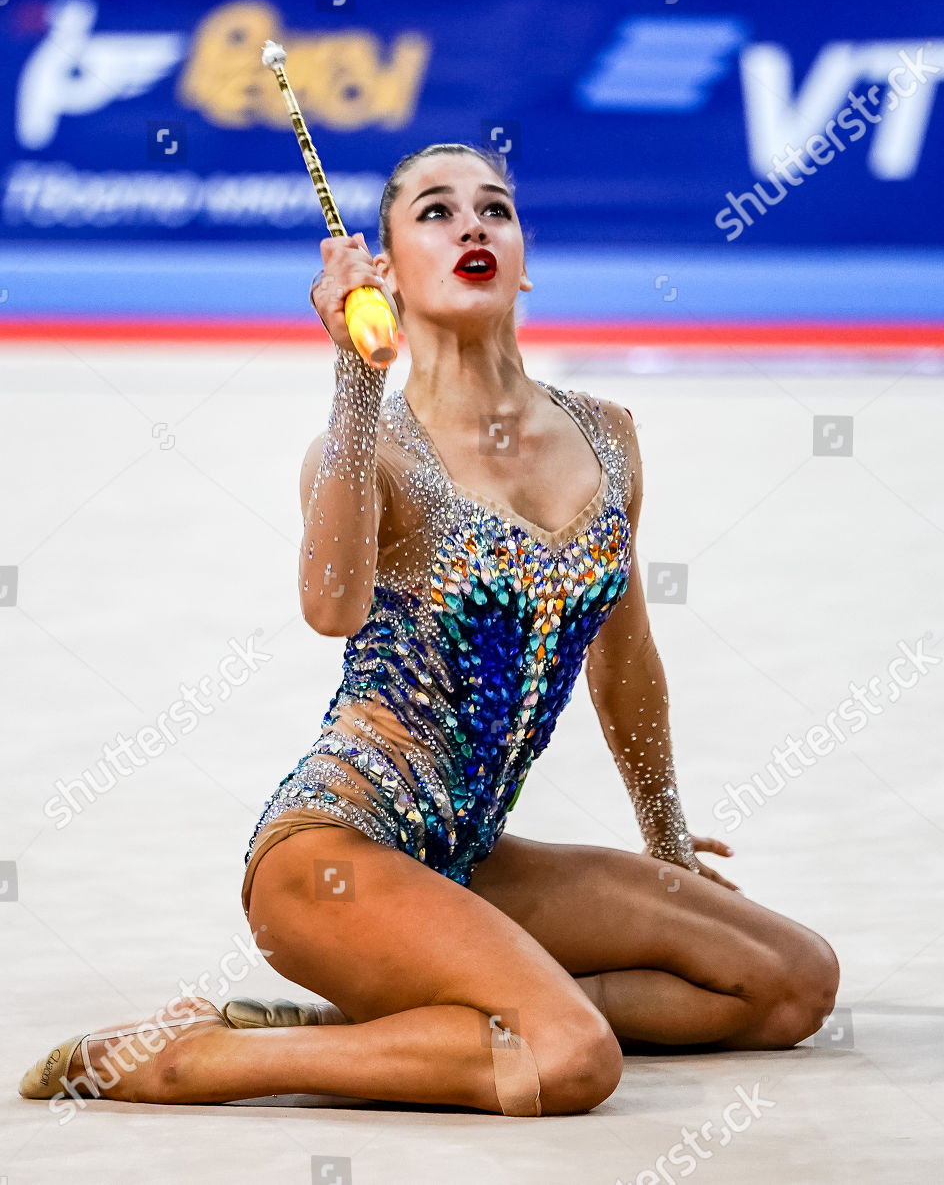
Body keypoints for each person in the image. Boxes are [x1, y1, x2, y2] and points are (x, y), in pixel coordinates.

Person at [20, 143, 839, 1118]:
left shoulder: (606, 434)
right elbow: (330, 607)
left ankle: (389, 1027)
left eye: (494, 207)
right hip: (335, 856)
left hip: (469, 856)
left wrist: (666, 837)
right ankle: (188, 1061)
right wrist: (356, 381)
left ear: (524, 259)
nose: (473, 225)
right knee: (569, 1062)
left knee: (790, 980)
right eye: (436, 214)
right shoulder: (373, 450)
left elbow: (626, 662)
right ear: (389, 275)